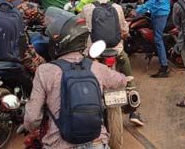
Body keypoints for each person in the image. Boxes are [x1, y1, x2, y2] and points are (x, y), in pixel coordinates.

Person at [23, 8, 128, 149]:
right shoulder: (96, 68)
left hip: (58, 144)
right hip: (97, 143)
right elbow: (120, 81)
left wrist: (32, 128)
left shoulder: (45, 71)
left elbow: (32, 118)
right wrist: (125, 79)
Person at [80, 0, 144, 126]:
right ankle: (134, 109)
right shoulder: (117, 7)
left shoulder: (87, 8)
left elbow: (80, 27)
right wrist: (124, 35)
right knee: (128, 74)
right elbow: (124, 29)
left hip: (93, 53)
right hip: (115, 51)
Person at [126, 0, 172, 77]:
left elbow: (151, 1)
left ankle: (164, 67)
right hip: (162, 10)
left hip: (159, 12)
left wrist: (138, 10)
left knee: (158, 39)